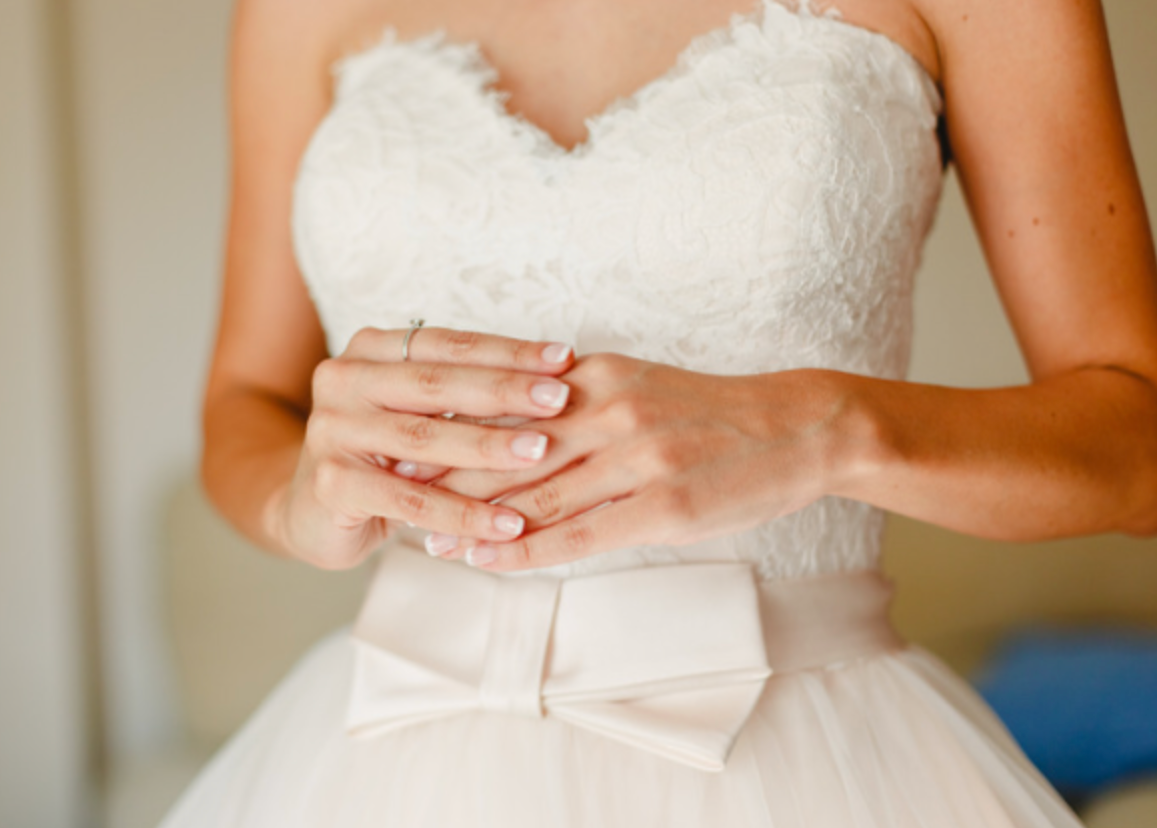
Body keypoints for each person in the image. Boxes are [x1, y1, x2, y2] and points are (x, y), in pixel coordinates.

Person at [160, 0, 1157, 824]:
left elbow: (1139, 442)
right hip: (376, 751)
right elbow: (246, 404)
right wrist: (296, 496)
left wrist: (826, 427)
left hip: (806, 755)